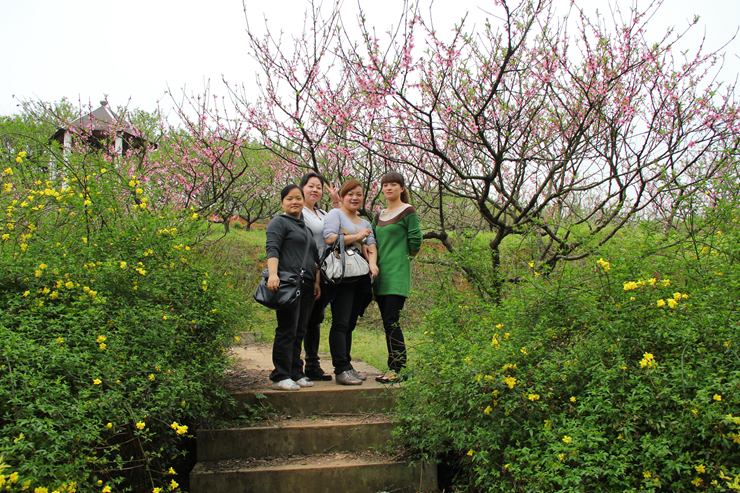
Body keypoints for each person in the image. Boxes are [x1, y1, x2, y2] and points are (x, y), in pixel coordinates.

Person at [265, 184, 321, 391]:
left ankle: (296, 372)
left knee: (300, 330)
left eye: (298, 198)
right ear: (282, 202)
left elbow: (314, 258)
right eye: (289, 198)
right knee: (287, 329)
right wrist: (273, 274)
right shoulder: (279, 222)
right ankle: (280, 375)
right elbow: (272, 248)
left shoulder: (305, 229)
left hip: (306, 284)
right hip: (288, 283)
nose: (294, 202)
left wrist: (316, 282)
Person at [323, 179, 378, 385]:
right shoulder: (335, 214)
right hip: (343, 276)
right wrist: (357, 236)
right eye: (350, 194)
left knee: (350, 324)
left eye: (359, 194)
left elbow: (371, 246)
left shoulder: (365, 223)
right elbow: (330, 239)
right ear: (342, 197)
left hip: (361, 276)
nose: (355, 198)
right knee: (341, 322)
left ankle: (347, 365)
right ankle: (341, 369)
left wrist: (373, 264)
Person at [371, 172, 422, 383]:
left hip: (397, 275)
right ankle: (394, 367)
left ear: (402, 188)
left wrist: (402, 258)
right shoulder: (379, 216)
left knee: (392, 321)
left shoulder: (408, 211)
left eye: (393, 184)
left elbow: (416, 240)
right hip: (379, 276)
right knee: (387, 322)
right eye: (385, 185)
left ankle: (397, 369)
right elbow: (371, 241)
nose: (388, 188)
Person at [299, 171, 340, 381]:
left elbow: (340, 225)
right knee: (302, 319)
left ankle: (312, 365)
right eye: (311, 186)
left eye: (319, 187)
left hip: (325, 272)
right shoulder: (298, 212)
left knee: (315, 319)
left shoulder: (323, 213)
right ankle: (294, 366)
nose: (315, 190)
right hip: (306, 271)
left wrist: (336, 201)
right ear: (302, 188)